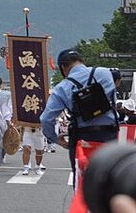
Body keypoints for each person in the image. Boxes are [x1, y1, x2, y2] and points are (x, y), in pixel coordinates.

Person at [40, 49, 118, 179]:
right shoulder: (105, 73)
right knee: (109, 181)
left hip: (82, 140)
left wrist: (54, 139)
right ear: (81, 61)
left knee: (82, 183)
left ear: (63, 68)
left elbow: (46, 119)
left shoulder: (62, 87)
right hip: (108, 136)